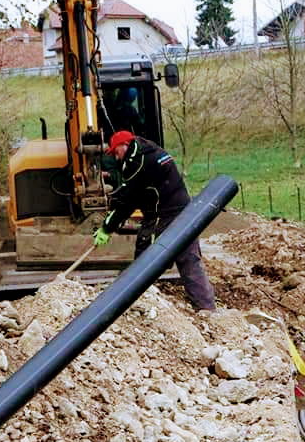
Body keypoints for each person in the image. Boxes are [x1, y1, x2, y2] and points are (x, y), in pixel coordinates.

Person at [92, 130, 216, 310]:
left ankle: (141, 301)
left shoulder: (137, 162)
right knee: (188, 258)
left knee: (145, 257)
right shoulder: (150, 150)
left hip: (162, 214)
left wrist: (107, 228)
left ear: (124, 145)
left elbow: (128, 201)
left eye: (116, 152)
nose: (117, 157)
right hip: (184, 209)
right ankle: (206, 307)